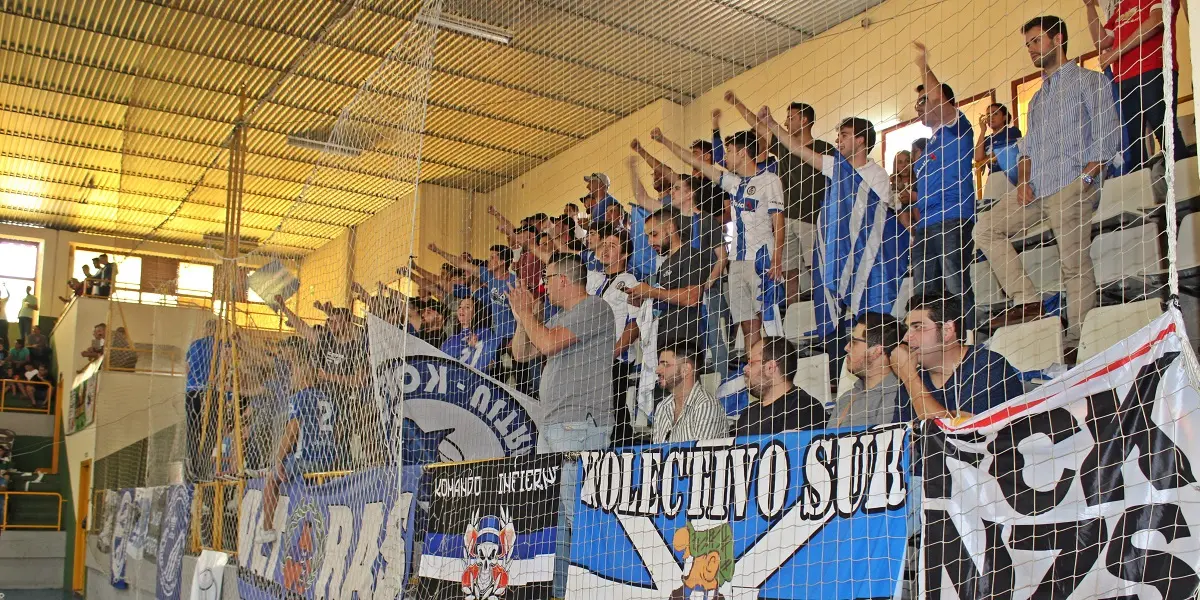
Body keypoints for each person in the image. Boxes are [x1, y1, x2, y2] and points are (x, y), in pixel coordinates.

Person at [976, 16, 1121, 353]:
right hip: (1036, 190)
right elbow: (1026, 150)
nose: (1031, 49)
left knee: (1074, 264)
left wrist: (1085, 179)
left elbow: (1108, 137)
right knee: (985, 228)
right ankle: (1028, 302)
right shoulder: (1038, 100)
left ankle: (1079, 340)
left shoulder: (1090, 81)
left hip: (1073, 183)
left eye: (1036, 41)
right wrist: (1023, 182)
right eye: (1027, 44)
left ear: (1057, 40)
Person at [508, 252, 616, 599]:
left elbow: (549, 343)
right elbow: (521, 353)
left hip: (579, 426)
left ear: (565, 280)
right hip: (555, 426)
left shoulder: (594, 308)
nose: (544, 286)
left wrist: (529, 314)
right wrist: (521, 318)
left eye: (548, 278)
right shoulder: (560, 316)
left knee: (579, 517)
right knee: (552, 522)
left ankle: (594, 588)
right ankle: (559, 591)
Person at [760, 112, 909, 344]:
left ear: (860, 140)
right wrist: (771, 123)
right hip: (839, 256)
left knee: (868, 318)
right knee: (835, 322)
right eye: (838, 135)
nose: (838, 140)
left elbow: (884, 219)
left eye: (844, 135)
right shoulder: (836, 166)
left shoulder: (877, 175)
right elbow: (799, 149)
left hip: (867, 259)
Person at [652, 127, 784, 353]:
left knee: (769, 321)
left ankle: (778, 367)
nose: (725, 156)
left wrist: (777, 259)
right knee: (746, 322)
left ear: (743, 152)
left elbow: (779, 222)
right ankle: (754, 368)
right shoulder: (734, 183)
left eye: (729, 150)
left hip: (762, 260)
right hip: (736, 264)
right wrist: (664, 140)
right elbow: (697, 163)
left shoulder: (770, 180)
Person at [726, 93, 836, 304]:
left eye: (791, 117)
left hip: (813, 219)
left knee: (817, 267)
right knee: (789, 271)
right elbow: (758, 126)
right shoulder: (784, 147)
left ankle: (825, 310)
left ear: (804, 120)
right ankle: (794, 314)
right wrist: (736, 103)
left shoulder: (824, 149)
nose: (786, 122)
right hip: (786, 220)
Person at [910, 42, 977, 328]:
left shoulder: (957, 129)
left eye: (923, 101)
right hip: (926, 226)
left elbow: (937, 97)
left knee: (954, 283)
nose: (919, 108)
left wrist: (923, 66)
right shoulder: (926, 151)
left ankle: (965, 337)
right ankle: (928, 341)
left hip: (953, 218)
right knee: (924, 292)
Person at [1085, 0, 1191, 171]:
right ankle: (1141, 191)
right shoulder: (1122, 7)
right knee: (1132, 143)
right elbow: (1102, 42)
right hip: (1124, 80)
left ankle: (1185, 188)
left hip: (1153, 69)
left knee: (1164, 130)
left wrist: (1116, 53)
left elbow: (1157, 21)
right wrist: (1089, 6)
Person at [891, 293, 1024, 419]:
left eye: (918, 327)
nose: (906, 337)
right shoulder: (913, 377)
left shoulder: (987, 365)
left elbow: (958, 434)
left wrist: (909, 377)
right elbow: (902, 437)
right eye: (907, 328)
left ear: (947, 330)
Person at [255, 348, 338, 544]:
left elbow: (292, 432)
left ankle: (267, 530)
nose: (291, 377)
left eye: (294, 373)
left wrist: (277, 460)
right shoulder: (327, 398)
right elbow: (338, 429)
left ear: (302, 378)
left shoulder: (299, 397)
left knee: (271, 480)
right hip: (329, 457)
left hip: (307, 459)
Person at [586, 226, 640, 445]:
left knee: (615, 408)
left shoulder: (629, 281)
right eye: (604, 244)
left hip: (615, 358)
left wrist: (615, 351)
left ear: (625, 253)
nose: (606, 249)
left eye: (613, 245)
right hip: (594, 356)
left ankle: (623, 450)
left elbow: (635, 322)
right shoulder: (596, 280)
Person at [829, 312, 908, 428]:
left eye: (854, 342)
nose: (846, 348)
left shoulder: (899, 395)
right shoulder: (846, 398)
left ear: (876, 351)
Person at [734, 337, 826, 436]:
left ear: (771, 367)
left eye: (751, 363)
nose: (745, 368)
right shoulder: (748, 413)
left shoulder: (804, 408)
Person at [651, 342, 729, 444]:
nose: (657, 370)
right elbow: (657, 454)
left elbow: (702, 457)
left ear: (685, 369)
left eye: (665, 364)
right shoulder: (662, 407)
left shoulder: (706, 404)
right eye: (659, 364)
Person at [185, 320, 218, 482]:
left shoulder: (194, 345)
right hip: (212, 390)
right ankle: (204, 466)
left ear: (207, 329)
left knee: (193, 429)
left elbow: (187, 368)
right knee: (211, 428)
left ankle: (192, 463)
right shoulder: (221, 345)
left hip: (192, 390)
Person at [440, 296, 501, 373]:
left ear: (476, 312)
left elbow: (491, 365)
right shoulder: (451, 339)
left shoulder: (484, 332)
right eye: (460, 307)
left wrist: (475, 348)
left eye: (467, 307)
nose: (461, 309)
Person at [974, 103, 1023, 179]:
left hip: (1011, 174)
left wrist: (985, 160)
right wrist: (982, 131)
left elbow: (1004, 150)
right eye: (988, 114)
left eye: (995, 113)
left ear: (1004, 117)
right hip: (993, 176)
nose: (991, 117)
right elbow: (977, 158)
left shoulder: (1012, 131)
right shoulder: (986, 140)